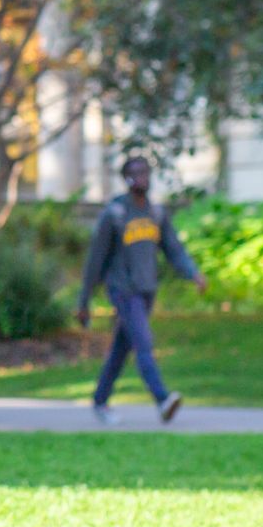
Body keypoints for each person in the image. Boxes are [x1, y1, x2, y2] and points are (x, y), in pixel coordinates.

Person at [75, 154, 208, 425]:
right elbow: (95, 260)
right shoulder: (115, 214)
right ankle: (162, 400)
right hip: (123, 289)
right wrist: (84, 301)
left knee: (122, 348)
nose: (142, 178)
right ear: (126, 178)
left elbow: (173, 249)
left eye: (146, 172)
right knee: (143, 342)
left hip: (147, 289)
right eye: (136, 173)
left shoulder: (155, 213)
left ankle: (100, 400)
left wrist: (193, 272)